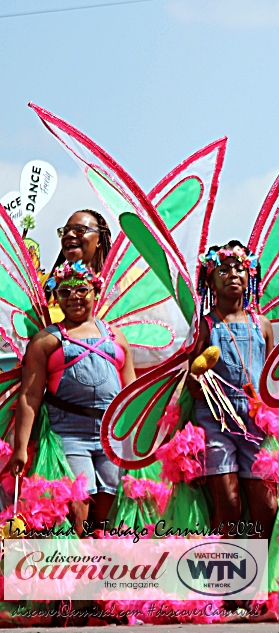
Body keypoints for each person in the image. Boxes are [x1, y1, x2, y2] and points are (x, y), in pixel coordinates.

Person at [9, 261, 134, 535]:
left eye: (82, 290)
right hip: (68, 435)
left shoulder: (117, 338)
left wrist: (141, 442)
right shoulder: (46, 341)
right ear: (56, 297)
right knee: (77, 514)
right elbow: (30, 396)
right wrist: (20, 447)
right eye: (65, 292)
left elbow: (133, 395)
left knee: (109, 514)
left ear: (95, 292)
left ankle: (102, 572)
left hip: (112, 437)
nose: (74, 297)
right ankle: (79, 571)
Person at [186, 241, 279, 539]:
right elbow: (191, 386)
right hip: (216, 420)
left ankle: (256, 580)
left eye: (239, 268)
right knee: (228, 505)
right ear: (210, 280)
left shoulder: (262, 325)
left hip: (256, 421)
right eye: (223, 269)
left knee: (266, 506)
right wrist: (198, 371)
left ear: (250, 275)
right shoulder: (205, 325)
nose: (233, 274)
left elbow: (273, 383)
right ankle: (221, 576)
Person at [45, 210, 112, 323]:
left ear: (99, 240)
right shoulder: (45, 282)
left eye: (80, 230)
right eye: (65, 231)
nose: (69, 235)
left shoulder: (121, 282)